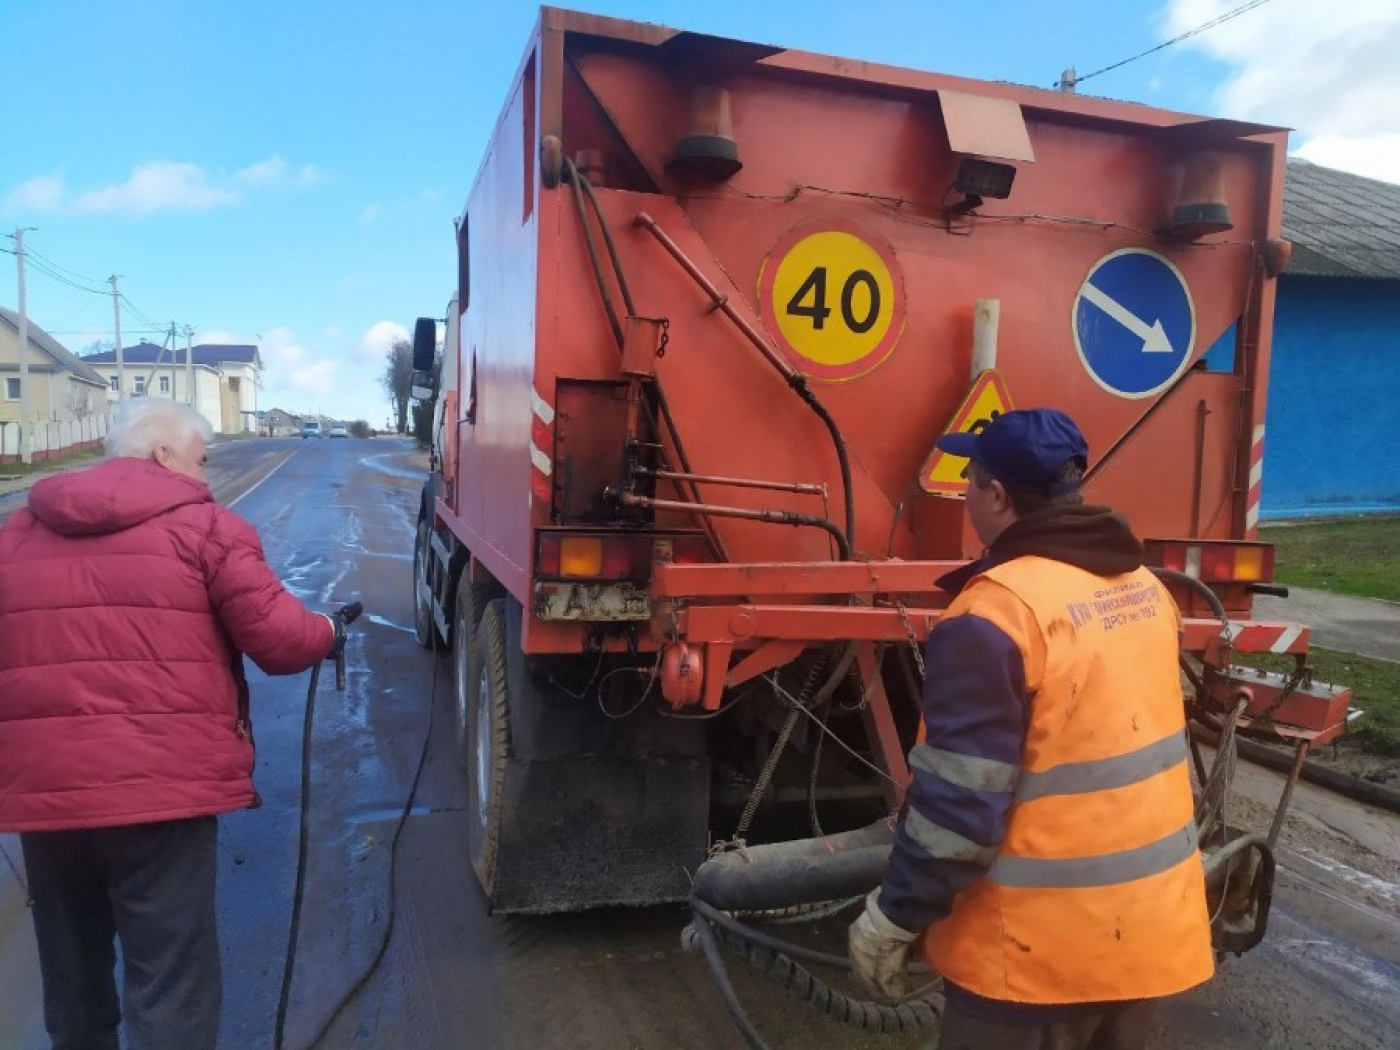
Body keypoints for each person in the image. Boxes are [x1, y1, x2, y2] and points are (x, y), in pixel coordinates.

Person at [848, 408, 1213, 1050]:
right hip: (1149, 940)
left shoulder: (994, 616)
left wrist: (892, 919)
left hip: (1033, 964)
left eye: (971, 478)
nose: (963, 493)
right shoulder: (1145, 590)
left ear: (996, 495)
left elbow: (958, 812)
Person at [0, 398, 345, 1050]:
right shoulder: (206, 527)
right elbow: (277, 640)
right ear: (163, 456)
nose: (205, 476)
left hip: (48, 796)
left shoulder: (16, 533)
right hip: (158, 794)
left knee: (72, 972)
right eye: (200, 460)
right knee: (170, 980)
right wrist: (327, 631)